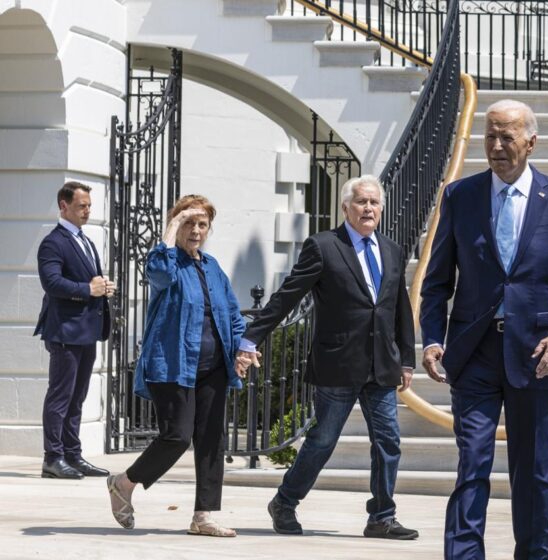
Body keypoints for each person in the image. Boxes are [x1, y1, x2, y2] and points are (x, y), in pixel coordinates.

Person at [420, 99, 548, 560]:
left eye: (507, 138)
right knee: (472, 464)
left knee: (533, 469)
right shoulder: (460, 196)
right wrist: (433, 339)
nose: (497, 147)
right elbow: (437, 282)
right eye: (490, 136)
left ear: (531, 142)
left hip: (536, 355)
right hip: (473, 352)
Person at [235, 176, 418, 540]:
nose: (369, 208)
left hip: (381, 364)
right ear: (346, 207)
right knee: (323, 440)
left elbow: (399, 308)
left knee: (388, 441)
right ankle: (284, 503)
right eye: (362, 202)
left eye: (374, 203)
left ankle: (382, 516)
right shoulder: (323, 246)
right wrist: (251, 337)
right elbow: (288, 295)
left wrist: (407, 359)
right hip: (338, 363)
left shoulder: (392, 250)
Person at [104, 195, 246, 536]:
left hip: (213, 366)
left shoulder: (212, 267)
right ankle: (124, 483)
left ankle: (204, 516)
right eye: (188, 224)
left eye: (201, 224)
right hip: (172, 363)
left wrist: (242, 348)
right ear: (177, 226)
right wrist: (169, 228)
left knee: (212, 439)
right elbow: (156, 271)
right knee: (177, 437)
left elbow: (233, 314)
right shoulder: (167, 263)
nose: (195, 231)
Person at [34, 181, 114, 479]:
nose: (87, 211)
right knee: (61, 395)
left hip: (87, 330)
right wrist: (87, 288)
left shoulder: (85, 240)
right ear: (63, 205)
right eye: (81, 206)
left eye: (89, 206)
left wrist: (102, 287)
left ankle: (73, 454)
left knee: (78, 395)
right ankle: (52, 458)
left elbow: (87, 282)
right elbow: (51, 282)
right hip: (65, 331)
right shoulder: (53, 242)